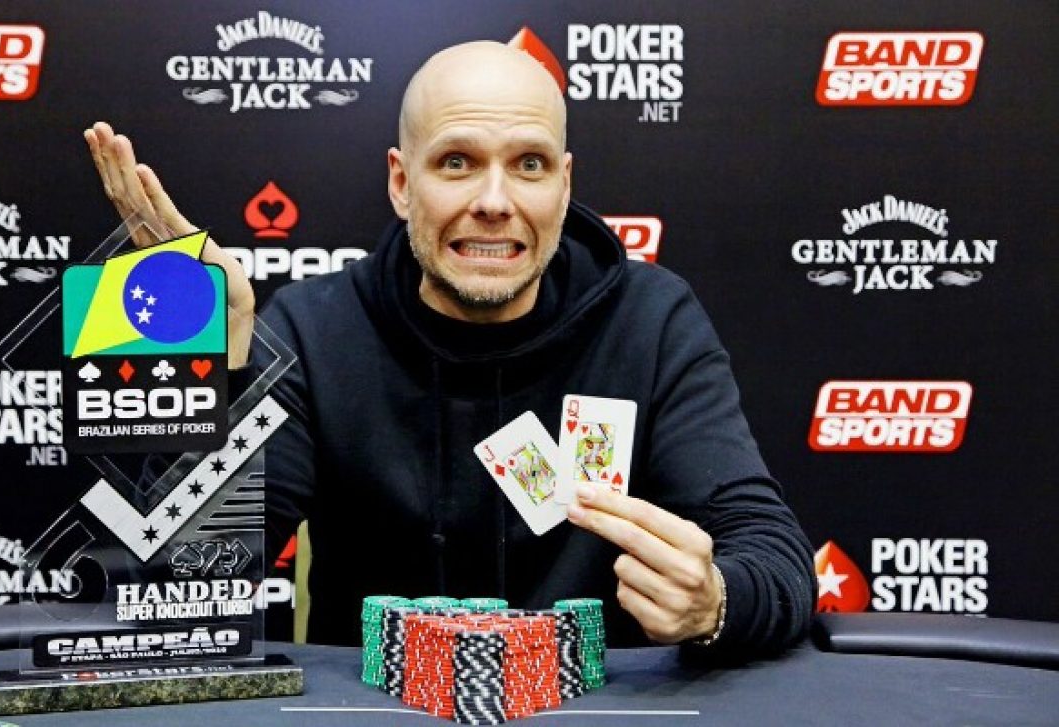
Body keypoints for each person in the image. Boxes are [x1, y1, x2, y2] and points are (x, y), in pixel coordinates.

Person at [84, 41, 815, 658]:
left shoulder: (650, 321)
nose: (494, 201)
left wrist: (714, 601)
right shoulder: (313, 327)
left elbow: (774, 557)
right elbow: (182, 587)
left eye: (529, 165)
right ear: (402, 183)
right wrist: (211, 361)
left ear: (564, 186)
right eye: (458, 162)